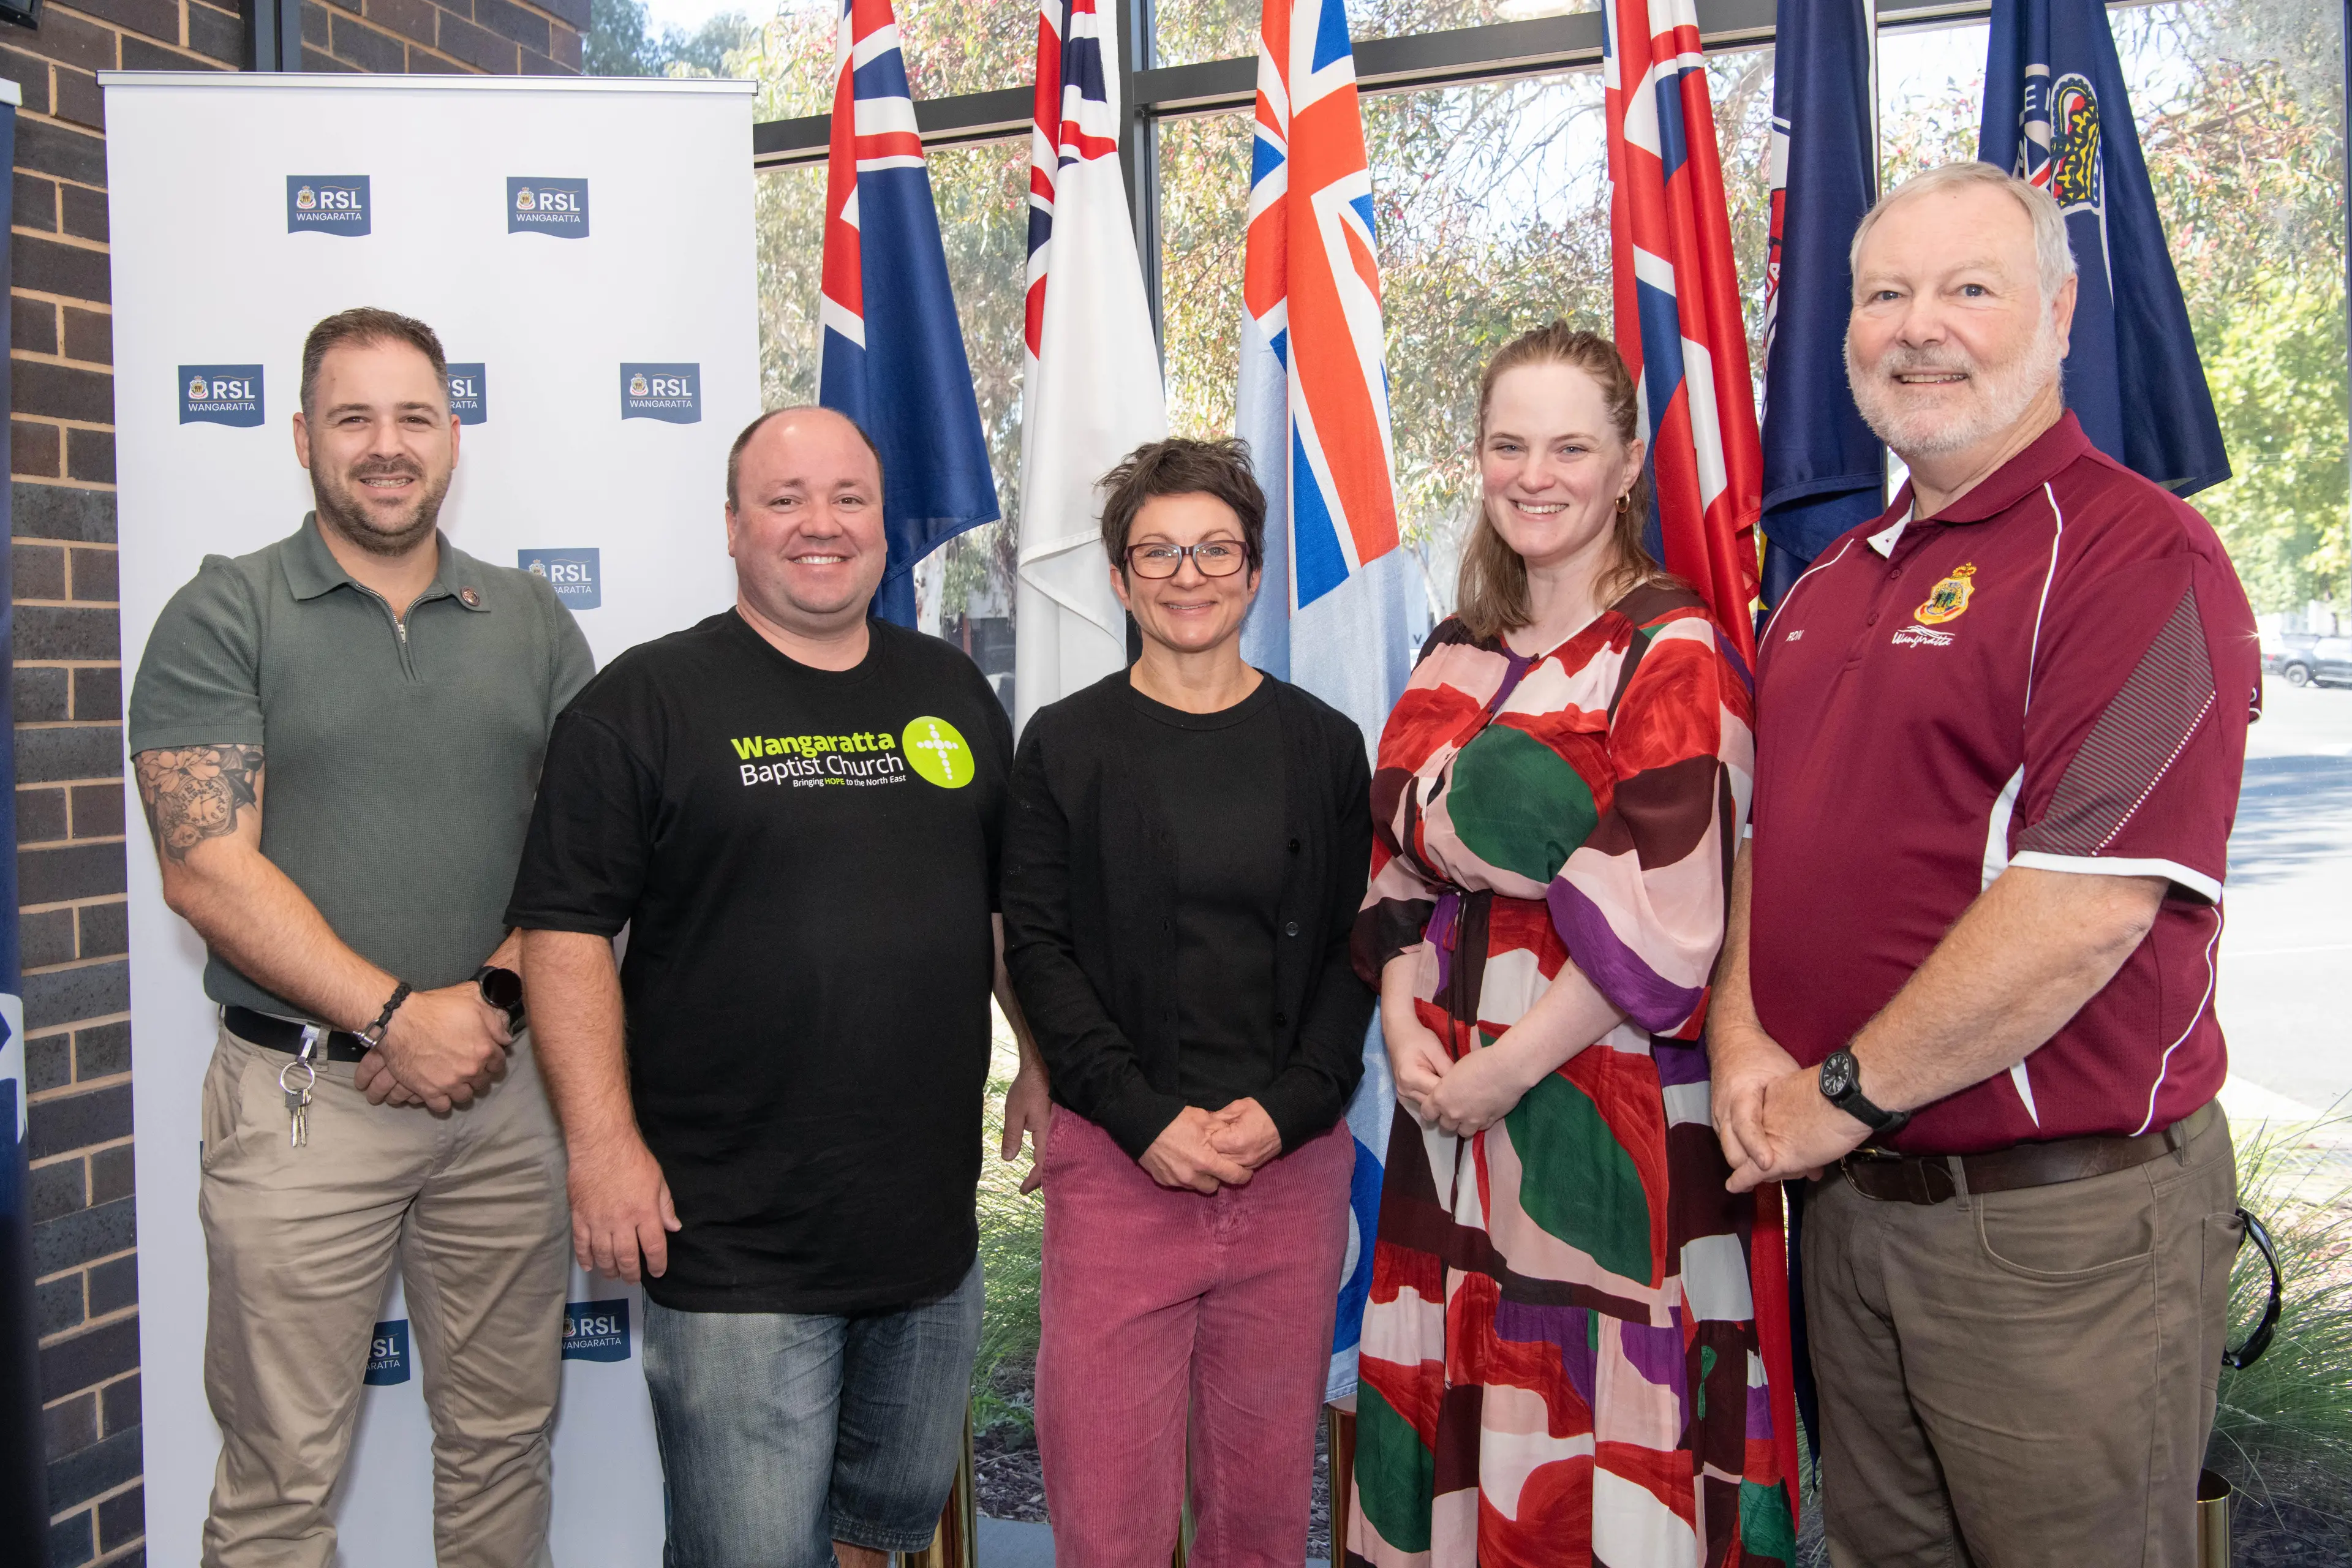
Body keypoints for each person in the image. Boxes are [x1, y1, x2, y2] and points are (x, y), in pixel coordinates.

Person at [1713, 161, 2259, 1567]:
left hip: (2059, 1237)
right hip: (1853, 1209)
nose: (1919, 326)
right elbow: (1771, 847)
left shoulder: (2154, 565)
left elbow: (2085, 908)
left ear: (2061, 310)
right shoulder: (1828, 586)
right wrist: (1742, 1051)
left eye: (1969, 288)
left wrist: (1836, 1093)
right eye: (1886, 293)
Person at [505, 405, 1048, 1568]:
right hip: (734, 1239)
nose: (822, 524)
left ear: (884, 526)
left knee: (874, 1541)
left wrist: (1040, 1060)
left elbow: (998, 907)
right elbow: (561, 934)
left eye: (849, 498)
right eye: (786, 498)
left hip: (922, 1235)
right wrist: (601, 1147)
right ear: (736, 527)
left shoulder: (950, 689)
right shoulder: (645, 703)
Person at [127, 307, 594, 1567]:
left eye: (414, 417)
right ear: (300, 436)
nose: (386, 446)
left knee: (504, 1442)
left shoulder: (534, 620)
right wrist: (396, 1013)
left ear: (454, 438)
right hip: (301, 1099)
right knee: (282, 1476)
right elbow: (205, 865)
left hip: (505, 1094)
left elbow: (588, 854)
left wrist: (483, 1010)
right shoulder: (225, 611)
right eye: (353, 418)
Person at [1348, 323, 1790, 1567]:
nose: (1534, 474)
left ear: (1626, 462)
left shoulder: (1674, 649)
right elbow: (1390, 877)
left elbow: (1671, 922)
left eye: (1569, 446)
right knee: (1454, 1389)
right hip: (1441, 1119)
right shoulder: (1454, 646)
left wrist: (1504, 1069)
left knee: (1588, 1426)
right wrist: (1402, 1030)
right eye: (1508, 444)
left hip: (1597, 1116)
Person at [1002, 438, 1375, 1566]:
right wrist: (1141, 1117)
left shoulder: (1324, 744)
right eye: (1156, 551)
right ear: (1118, 579)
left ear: (1254, 571)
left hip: (1288, 1173)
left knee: (1259, 1527)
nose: (1187, 573)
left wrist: (1291, 1108)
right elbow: (1041, 950)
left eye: (1216, 549)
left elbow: (1354, 956)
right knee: (1106, 1526)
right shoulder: (1064, 745)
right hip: (1120, 1170)